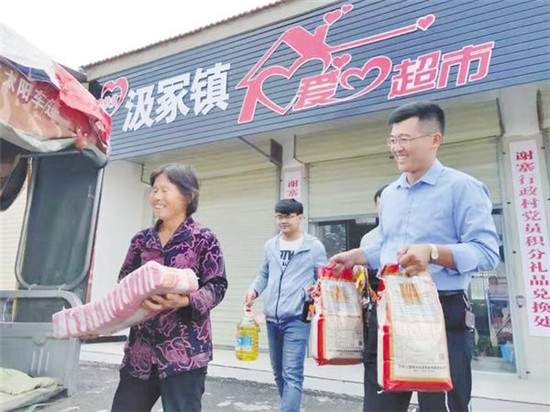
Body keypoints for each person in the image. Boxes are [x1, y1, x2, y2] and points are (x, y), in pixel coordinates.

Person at [329, 101, 500, 412]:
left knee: (441, 406)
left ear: (435, 139)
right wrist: (359, 256)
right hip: (391, 310)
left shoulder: (463, 187)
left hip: (440, 311)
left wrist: (433, 253)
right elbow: (388, 247)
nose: (397, 148)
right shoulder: (390, 194)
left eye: (405, 139)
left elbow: (487, 252)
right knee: (379, 405)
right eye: (393, 140)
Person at [110, 164, 228, 412]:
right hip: (140, 352)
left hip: (184, 354)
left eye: (165, 190)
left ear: (188, 195)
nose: (157, 196)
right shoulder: (141, 240)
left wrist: (185, 300)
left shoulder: (203, 238)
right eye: (154, 190)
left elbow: (217, 285)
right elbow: (124, 279)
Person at [244, 198, 327, 412]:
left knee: (292, 373)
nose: (283, 221)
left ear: (300, 218)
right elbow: (264, 274)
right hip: (272, 319)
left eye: (289, 216)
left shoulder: (313, 246)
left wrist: (315, 290)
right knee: (279, 373)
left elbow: (323, 278)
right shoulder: (270, 245)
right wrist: (254, 290)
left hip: (297, 318)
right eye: (279, 216)